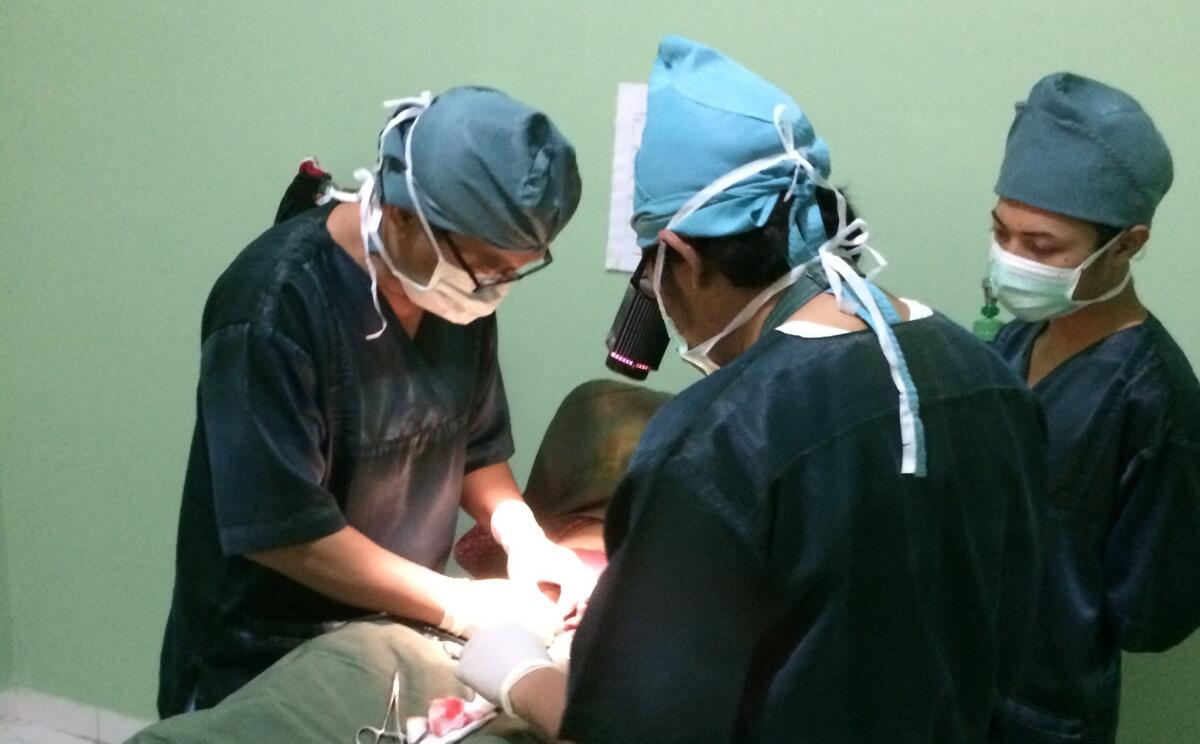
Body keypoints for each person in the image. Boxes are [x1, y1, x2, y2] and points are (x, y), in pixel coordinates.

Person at [455, 36, 1047, 743]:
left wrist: (523, 675)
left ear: (675, 253)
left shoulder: (720, 440)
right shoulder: (986, 380)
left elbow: (628, 732)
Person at [157, 86, 590, 717]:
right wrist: (460, 603)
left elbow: (472, 445)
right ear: (403, 213)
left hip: (388, 643)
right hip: (260, 657)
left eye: (513, 270)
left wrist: (525, 540)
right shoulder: (271, 310)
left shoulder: (453, 291)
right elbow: (286, 533)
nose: (495, 288)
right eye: (487, 265)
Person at [983, 72, 1200, 744]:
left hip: (1043, 719)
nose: (1012, 261)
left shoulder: (1153, 399)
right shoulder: (1016, 335)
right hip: (954, 685)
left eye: (1043, 247)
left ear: (1128, 244)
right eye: (1002, 232)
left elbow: (1152, 614)